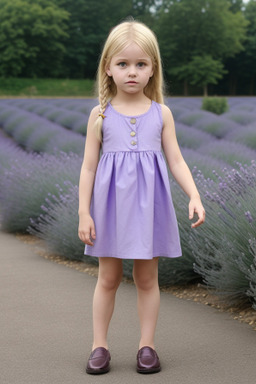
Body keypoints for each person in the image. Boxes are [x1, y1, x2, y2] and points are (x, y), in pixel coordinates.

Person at [78, 19, 205, 375]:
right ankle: (98, 346)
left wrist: (194, 194)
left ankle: (146, 346)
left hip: (150, 209)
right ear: (108, 68)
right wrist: (83, 213)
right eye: (123, 64)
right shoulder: (99, 115)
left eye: (140, 64)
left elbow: (176, 159)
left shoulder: (161, 113)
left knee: (148, 279)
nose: (131, 72)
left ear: (153, 70)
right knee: (108, 278)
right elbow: (88, 168)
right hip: (109, 209)